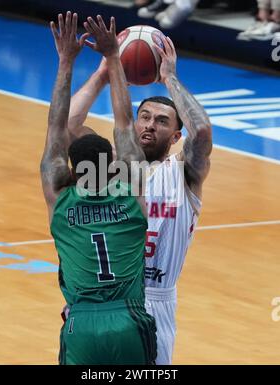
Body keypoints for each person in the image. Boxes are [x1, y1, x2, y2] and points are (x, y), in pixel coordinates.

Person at [67, 31, 212, 365]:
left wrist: (169, 77)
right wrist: (104, 73)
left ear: (176, 135)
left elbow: (202, 132)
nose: (150, 125)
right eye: (144, 117)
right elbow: (67, 126)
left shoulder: (184, 173)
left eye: (162, 122)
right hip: (103, 297)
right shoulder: (107, 166)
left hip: (154, 301)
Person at [40, 11, 157, 365]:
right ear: (114, 164)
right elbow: (124, 125)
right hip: (129, 319)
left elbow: (57, 127)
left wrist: (66, 61)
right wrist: (113, 59)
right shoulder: (130, 190)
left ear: (73, 170)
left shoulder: (60, 198)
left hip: (81, 324)